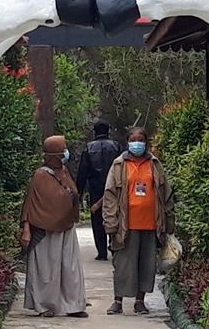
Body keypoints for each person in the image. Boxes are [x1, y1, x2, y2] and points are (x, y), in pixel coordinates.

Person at [101, 127, 174, 315]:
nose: (137, 143)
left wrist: (168, 224)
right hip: (126, 225)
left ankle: (140, 301)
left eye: (140, 139)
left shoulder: (155, 165)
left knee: (146, 265)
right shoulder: (119, 165)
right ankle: (118, 301)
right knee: (123, 264)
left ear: (146, 142)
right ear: (127, 142)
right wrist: (110, 223)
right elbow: (109, 195)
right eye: (133, 139)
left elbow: (166, 195)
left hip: (150, 225)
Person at [19, 134, 88, 318]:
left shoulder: (64, 171)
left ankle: (74, 305)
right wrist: (26, 229)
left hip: (66, 227)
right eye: (63, 149)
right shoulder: (40, 175)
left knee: (70, 268)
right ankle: (45, 306)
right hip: (44, 229)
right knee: (46, 269)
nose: (66, 152)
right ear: (54, 154)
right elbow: (29, 204)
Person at [76, 120, 121, 260]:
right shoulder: (116, 146)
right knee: (115, 217)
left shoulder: (89, 148)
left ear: (94, 132)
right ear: (108, 131)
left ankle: (101, 252)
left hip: (95, 189)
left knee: (97, 221)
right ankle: (114, 247)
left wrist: (79, 192)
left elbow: (82, 172)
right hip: (114, 188)